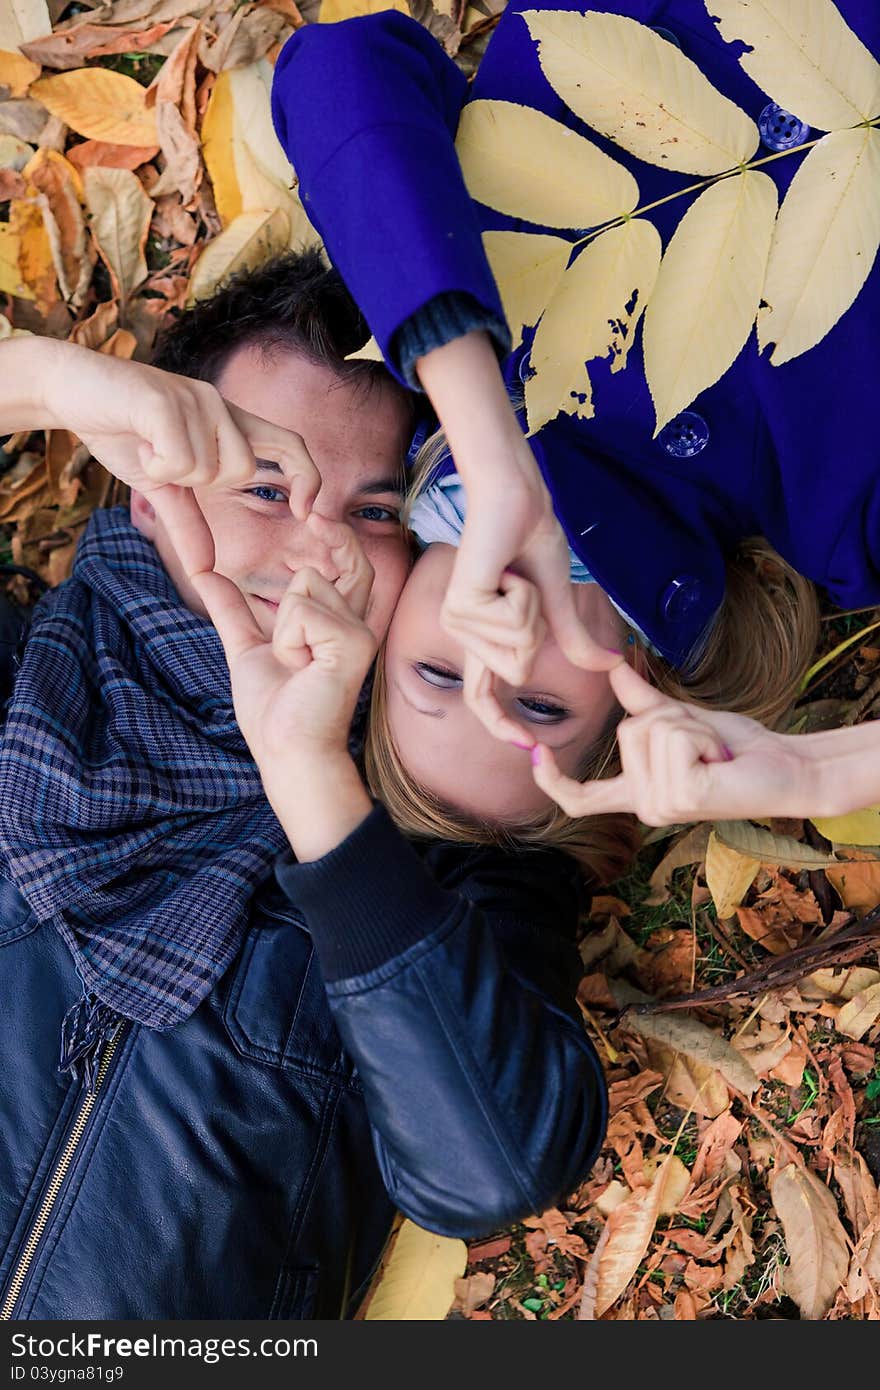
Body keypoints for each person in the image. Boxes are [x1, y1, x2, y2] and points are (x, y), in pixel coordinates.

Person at [0, 252, 611, 1320]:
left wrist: (310, 778)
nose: (317, 544)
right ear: (149, 495)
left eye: (377, 512)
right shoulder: (20, 685)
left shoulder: (434, 857)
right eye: (267, 486)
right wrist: (47, 386)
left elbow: (492, 1167)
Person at [269, 0, 879, 767]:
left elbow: (340, 69)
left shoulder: (447, 287)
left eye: (439, 673)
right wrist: (820, 782)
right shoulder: (839, 527)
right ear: (644, 696)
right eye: (538, 706)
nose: (502, 657)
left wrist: (489, 455)